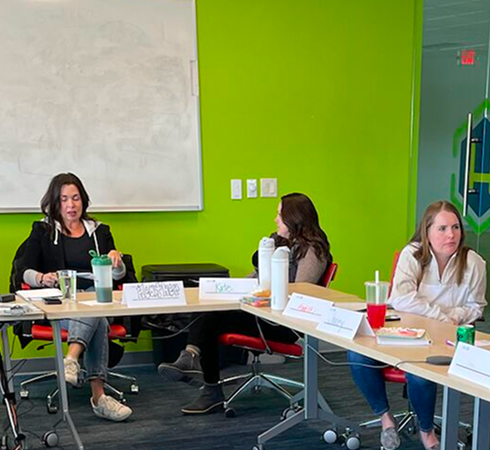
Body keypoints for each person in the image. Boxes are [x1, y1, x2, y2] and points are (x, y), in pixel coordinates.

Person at [158, 192, 332, 414]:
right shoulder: (276, 243)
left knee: (212, 317)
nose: (275, 219)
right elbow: (257, 277)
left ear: (295, 218)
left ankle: (202, 376)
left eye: (280, 215)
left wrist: (261, 293)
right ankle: (193, 362)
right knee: (211, 309)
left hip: (284, 323)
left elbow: (300, 291)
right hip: (264, 314)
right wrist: (230, 289)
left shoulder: (313, 251)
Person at [348, 200, 486, 450]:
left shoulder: (474, 263)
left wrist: (449, 318)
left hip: (443, 341)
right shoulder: (412, 254)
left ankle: (427, 432)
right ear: (427, 231)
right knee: (357, 356)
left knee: (419, 372)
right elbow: (401, 299)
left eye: (455, 227)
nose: (451, 235)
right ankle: (386, 419)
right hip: (401, 332)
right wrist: (445, 315)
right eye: (443, 228)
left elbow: (476, 307)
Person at [18, 173, 132, 422]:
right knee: (97, 318)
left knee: (95, 312)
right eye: (64, 199)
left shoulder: (100, 232)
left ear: (84, 200)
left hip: (96, 300)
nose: (71, 205)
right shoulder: (43, 230)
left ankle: (71, 359)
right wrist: (42, 278)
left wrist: (116, 261)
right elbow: (23, 270)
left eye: (76, 198)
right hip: (60, 304)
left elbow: (120, 276)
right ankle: (99, 398)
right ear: (55, 203)